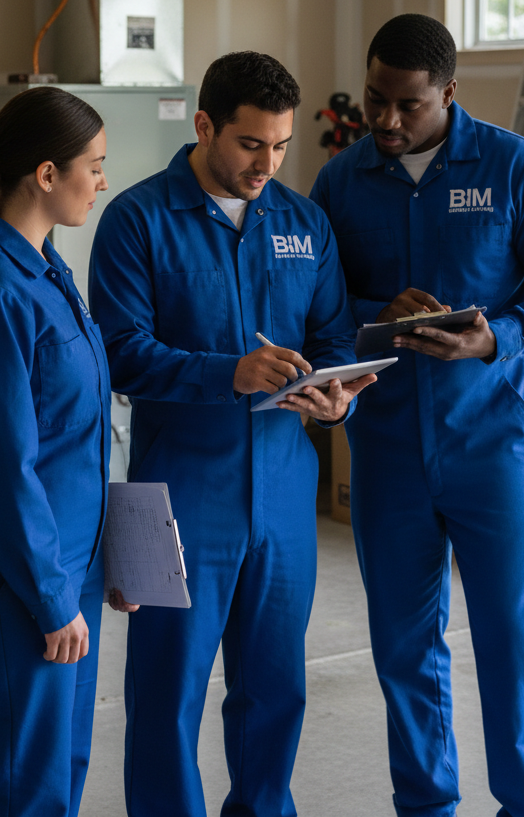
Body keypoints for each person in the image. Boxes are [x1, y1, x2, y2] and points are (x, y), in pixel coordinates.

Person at [310, 14, 524, 817]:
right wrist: (375, 307)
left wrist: (496, 337)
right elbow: (317, 309)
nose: (388, 120)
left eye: (408, 105)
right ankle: (427, 806)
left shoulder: (514, 167)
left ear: (449, 95)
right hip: (388, 449)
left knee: (512, 636)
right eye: (376, 99)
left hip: (493, 448)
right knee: (404, 647)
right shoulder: (340, 182)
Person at [89, 51, 377, 817]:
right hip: (181, 495)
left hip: (285, 495)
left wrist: (337, 397)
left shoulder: (303, 221)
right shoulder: (138, 220)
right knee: (165, 695)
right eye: (252, 144)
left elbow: (333, 334)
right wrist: (228, 373)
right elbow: (118, 353)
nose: (267, 164)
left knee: (275, 688)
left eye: (281, 147)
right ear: (206, 125)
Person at [0, 87, 137, 817]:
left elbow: (79, 437)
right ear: (46, 174)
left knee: (61, 768)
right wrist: (50, 598)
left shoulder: (45, 269)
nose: (103, 181)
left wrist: (111, 559)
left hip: (67, 566)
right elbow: (3, 465)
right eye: (94, 166)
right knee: (23, 787)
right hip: (18, 579)